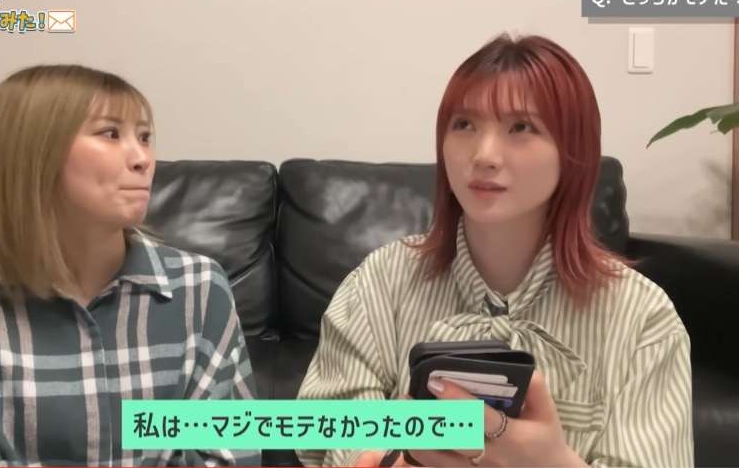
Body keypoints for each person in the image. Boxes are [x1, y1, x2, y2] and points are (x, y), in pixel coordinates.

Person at [296, 34, 693, 467]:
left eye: (521, 127)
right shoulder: (380, 282)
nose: (484, 155)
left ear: (574, 153)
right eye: (464, 125)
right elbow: (329, 429)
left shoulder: (643, 319)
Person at [0, 65, 260, 466]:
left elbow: (231, 453)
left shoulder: (200, 290)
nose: (143, 158)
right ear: (34, 154)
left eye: (145, 137)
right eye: (111, 133)